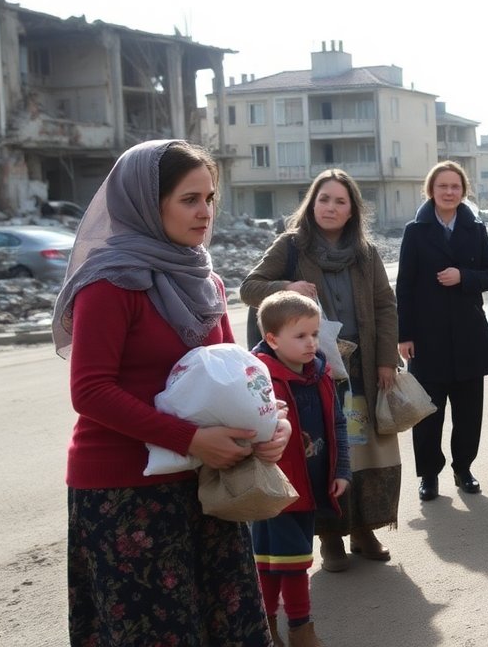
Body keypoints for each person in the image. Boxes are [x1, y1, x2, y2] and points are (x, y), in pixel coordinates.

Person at [57, 139, 291, 645]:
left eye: (210, 198)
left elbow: (242, 375)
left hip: (207, 485)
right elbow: (90, 391)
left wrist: (273, 424)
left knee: (226, 629)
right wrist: (189, 438)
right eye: (189, 199)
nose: (204, 212)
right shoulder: (109, 283)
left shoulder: (205, 280)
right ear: (146, 201)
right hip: (125, 491)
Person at [242, 169, 399, 572]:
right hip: (308, 372)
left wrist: (385, 359)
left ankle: (365, 529)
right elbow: (249, 287)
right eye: (323, 199)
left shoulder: (366, 254)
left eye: (340, 201)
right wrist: (287, 289)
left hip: (359, 366)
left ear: (352, 211)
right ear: (312, 204)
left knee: (364, 451)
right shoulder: (292, 246)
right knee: (323, 451)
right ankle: (331, 537)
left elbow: (384, 305)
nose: (330, 207)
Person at [397, 161, 488, 497]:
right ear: (431, 189)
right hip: (427, 338)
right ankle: (429, 475)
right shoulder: (416, 231)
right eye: (442, 186)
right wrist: (404, 335)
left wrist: (464, 277)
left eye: (455, 186)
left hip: (469, 335)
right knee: (428, 414)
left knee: (469, 413)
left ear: (463, 191)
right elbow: (405, 286)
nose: (448, 192)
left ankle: (463, 469)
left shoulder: (475, 228)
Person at [252, 291, 349, 647]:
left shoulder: (321, 373)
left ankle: (275, 627)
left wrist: (342, 470)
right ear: (273, 339)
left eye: (314, 333)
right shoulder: (259, 380)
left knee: (286, 560)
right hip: (272, 491)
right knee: (280, 563)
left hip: (308, 487)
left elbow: (337, 424)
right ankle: (296, 630)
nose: (311, 343)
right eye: (301, 336)